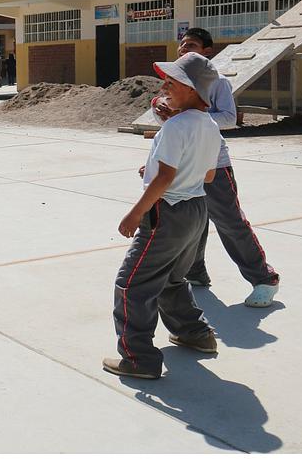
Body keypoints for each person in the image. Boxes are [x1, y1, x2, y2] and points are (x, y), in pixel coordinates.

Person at [104, 52, 223, 380]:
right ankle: (194, 333)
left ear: (191, 89)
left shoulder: (175, 127)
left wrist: (134, 214)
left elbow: (165, 179)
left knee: (132, 285)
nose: (164, 86)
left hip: (166, 212)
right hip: (196, 211)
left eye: (173, 81)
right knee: (171, 277)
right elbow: (208, 176)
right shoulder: (210, 126)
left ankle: (138, 358)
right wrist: (159, 167)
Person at [153, 27, 280, 308]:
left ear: (206, 52)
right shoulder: (173, 82)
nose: (184, 49)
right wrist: (163, 112)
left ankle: (264, 278)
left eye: (192, 45)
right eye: (182, 45)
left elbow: (228, 118)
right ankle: (195, 272)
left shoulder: (218, 82)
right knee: (191, 221)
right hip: (182, 162)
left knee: (229, 222)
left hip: (212, 163)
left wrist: (185, 112)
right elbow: (167, 119)